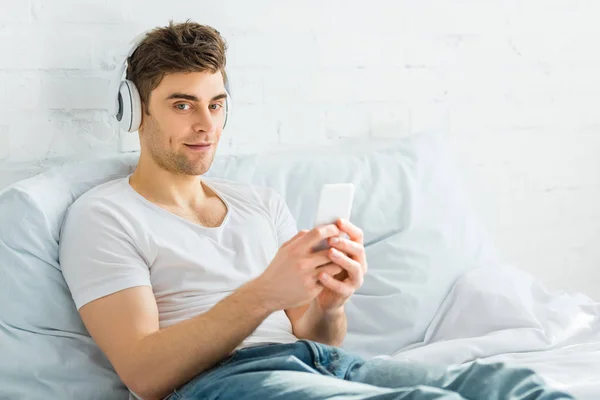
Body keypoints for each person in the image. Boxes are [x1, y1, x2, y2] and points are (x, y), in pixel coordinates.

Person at [59, 20, 573, 400]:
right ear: (134, 110)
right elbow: (144, 376)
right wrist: (263, 294)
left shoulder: (259, 203)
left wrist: (330, 304)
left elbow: (314, 333)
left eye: (215, 104)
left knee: (506, 383)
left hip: (319, 362)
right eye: (182, 104)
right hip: (224, 384)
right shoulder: (104, 217)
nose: (206, 124)